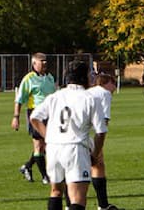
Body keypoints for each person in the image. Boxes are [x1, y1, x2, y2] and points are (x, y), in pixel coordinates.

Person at [30, 60, 108, 210]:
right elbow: (101, 131)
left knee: (56, 191)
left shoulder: (55, 96)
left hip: (53, 148)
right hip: (75, 149)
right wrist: (96, 154)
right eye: (89, 74)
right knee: (77, 199)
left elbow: (34, 117)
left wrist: (48, 137)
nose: (92, 77)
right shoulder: (91, 98)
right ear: (84, 77)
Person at [12, 53, 57, 184]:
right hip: (36, 114)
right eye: (41, 61)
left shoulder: (49, 77)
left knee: (47, 144)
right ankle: (45, 176)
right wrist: (16, 117)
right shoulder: (29, 79)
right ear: (34, 64)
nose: (44, 63)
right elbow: (19, 99)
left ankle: (27, 166)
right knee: (39, 145)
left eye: (45, 61)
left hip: (50, 114)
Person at [87, 74, 123, 210]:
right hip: (88, 134)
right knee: (98, 165)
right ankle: (103, 205)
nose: (114, 87)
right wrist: (99, 146)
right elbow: (104, 121)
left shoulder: (89, 91)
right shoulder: (105, 93)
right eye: (113, 83)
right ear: (106, 83)